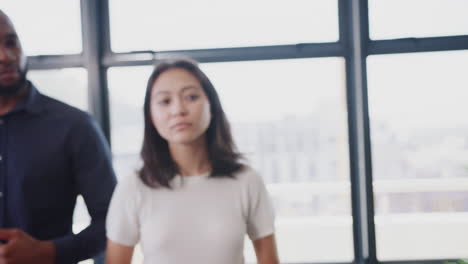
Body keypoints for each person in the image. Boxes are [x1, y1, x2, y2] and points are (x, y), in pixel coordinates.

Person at [105, 58, 280, 264]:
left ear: (211, 107)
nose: (178, 110)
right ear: (151, 116)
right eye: (165, 101)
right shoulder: (133, 187)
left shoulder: (246, 180)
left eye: (191, 97)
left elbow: (269, 259)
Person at [0, 10, 117, 264]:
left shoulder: (75, 126)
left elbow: (114, 222)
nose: (6, 56)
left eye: (11, 42)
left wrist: (49, 253)